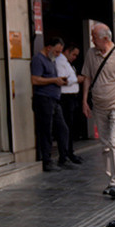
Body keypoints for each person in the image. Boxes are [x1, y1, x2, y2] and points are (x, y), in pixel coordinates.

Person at [82, 23, 115, 200]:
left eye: (94, 37)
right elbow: (87, 77)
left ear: (105, 38)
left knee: (114, 142)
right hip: (99, 106)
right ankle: (111, 179)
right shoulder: (91, 54)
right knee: (105, 144)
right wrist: (84, 100)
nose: (92, 40)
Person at [31, 37, 73, 172]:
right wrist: (54, 80)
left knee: (63, 129)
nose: (58, 54)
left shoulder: (51, 60)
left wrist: (60, 80)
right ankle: (47, 160)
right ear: (49, 47)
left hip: (54, 99)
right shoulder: (38, 60)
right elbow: (35, 80)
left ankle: (63, 157)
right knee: (46, 130)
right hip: (44, 99)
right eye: (56, 51)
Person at [55, 42, 84, 164]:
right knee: (66, 126)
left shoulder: (68, 64)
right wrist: (76, 79)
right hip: (65, 97)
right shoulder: (60, 62)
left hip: (71, 97)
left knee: (70, 126)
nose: (74, 57)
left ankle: (69, 152)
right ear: (67, 51)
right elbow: (63, 80)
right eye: (73, 54)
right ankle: (65, 153)